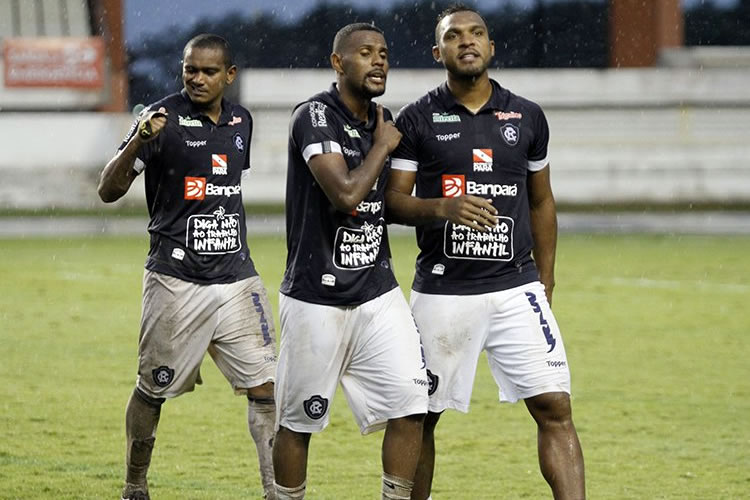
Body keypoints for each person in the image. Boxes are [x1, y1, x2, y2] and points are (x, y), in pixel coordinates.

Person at [386, 5, 586, 499]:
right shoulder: (417, 118)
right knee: (420, 418)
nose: (467, 42)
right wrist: (441, 207)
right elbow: (391, 201)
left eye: (477, 34)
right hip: (442, 291)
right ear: (439, 53)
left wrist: (548, 278)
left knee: (555, 407)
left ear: (491, 48)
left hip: (517, 287)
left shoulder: (528, 116)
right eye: (454, 37)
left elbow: (541, 200)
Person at [97, 34, 277, 500]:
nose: (197, 78)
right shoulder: (159, 120)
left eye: (208, 71)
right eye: (189, 69)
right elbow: (108, 191)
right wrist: (138, 141)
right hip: (175, 281)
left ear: (229, 76)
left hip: (238, 277)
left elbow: (223, 185)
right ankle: (135, 484)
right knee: (152, 388)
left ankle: (276, 490)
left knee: (267, 387)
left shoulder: (242, 121)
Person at [273, 23, 429, 500]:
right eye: (365, 53)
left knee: (412, 405)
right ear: (338, 63)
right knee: (299, 421)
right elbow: (344, 195)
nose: (378, 61)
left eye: (384, 53)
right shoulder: (314, 115)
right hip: (315, 297)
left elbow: (389, 202)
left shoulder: (380, 118)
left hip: (377, 293)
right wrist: (384, 145)